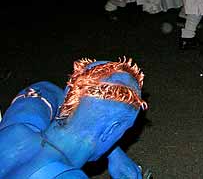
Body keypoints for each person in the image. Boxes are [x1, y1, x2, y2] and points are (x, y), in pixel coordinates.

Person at [0, 57, 148, 178]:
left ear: (69, 97)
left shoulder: (16, 127)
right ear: (111, 129)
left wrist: (113, 151)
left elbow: (44, 89)